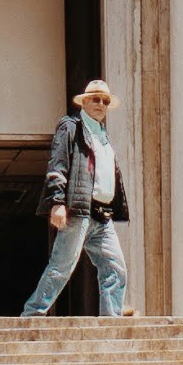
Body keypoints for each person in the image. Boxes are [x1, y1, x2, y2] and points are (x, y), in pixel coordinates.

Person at [25, 77, 131, 316]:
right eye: (95, 99)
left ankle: (112, 321)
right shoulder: (71, 126)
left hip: (102, 216)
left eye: (105, 100)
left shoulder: (103, 135)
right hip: (79, 210)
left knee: (115, 269)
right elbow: (58, 163)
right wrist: (57, 202)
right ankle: (32, 315)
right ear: (84, 102)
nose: (101, 104)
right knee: (62, 267)